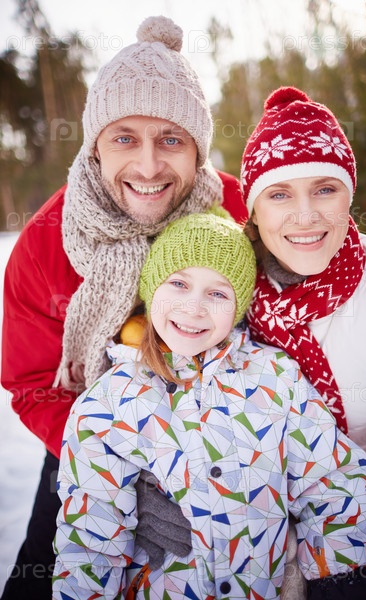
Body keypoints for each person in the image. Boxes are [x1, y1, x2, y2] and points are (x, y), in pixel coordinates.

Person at [0, 16, 247, 600]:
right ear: (94, 145)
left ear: (198, 147)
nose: (149, 166)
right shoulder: (46, 245)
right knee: (44, 576)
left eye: (171, 139)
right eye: (124, 138)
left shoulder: (239, 214)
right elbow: (34, 384)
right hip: (83, 440)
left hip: (224, 440)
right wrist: (117, 473)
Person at [53, 211, 366, 600]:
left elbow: (330, 483)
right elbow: (89, 538)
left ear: (239, 307)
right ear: (152, 287)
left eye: (218, 293)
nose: (194, 308)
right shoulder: (109, 402)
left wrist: (338, 579)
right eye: (178, 283)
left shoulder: (275, 377)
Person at [241, 85, 366, 599]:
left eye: (325, 189)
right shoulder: (224, 288)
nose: (306, 215)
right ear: (253, 210)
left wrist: (335, 531)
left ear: (349, 196)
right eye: (279, 194)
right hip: (241, 529)